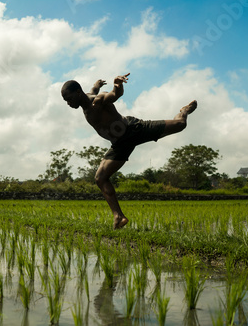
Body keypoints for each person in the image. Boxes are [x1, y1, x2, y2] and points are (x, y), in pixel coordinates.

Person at [61, 73, 197, 229]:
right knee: (100, 178)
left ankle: (184, 110)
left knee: (180, 124)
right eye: (66, 100)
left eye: (69, 98)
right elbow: (94, 88)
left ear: (78, 92)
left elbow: (114, 95)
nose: (68, 103)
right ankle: (118, 217)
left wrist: (117, 85)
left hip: (133, 129)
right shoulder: (88, 98)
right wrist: (98, 83)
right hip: (120, 143)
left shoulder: (97, 101)